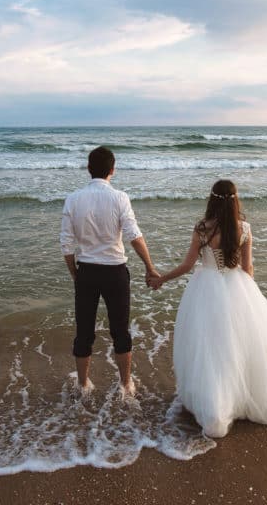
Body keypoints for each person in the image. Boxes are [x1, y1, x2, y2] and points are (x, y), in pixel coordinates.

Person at [149, 179, 267, 437]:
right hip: (237, 286)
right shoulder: (245, 229)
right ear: (236, 200)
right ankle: (243, 398)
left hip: (205, 288)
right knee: (239, 345)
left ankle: (216, 404)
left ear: (212, 199)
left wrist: (161, 278)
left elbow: (187, 266)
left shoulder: (202, 229)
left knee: (210, 349)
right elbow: (248, 269)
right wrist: (249, 298)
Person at [60, 146, 159, 397]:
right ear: (112, 170)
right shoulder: (119, 197)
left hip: (87, 272)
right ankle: (126, 385)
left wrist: (76, 274)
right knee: (120, 330)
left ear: (88, 169)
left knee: (84, 332)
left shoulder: (73, 198)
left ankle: (83, 386)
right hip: (115, 272)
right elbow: (134, 236)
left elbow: (66, 244)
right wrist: (150, 267)